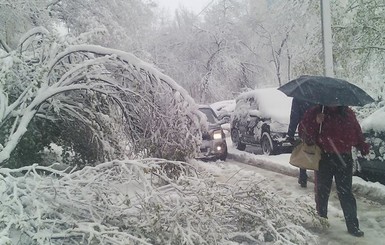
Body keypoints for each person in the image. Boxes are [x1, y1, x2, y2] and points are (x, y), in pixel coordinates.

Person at [299, 105, 370, 237]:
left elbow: (356, 130)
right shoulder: (316, 111)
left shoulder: (347, 113)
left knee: (346, 192)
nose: (334, 102)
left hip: (344, 158)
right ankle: (322, 219)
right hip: (324, 157)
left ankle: (352, 225)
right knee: (322, 191)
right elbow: (304, 134)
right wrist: (316, 122)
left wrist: (362, 145)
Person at [287, 98, 315, 188]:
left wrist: (290, 134)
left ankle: (303, 177)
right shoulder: (321, 95)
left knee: (305, 152)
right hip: (319, 128)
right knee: (318, 152)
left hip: (305, 129)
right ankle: (320, 178)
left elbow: (294, 116)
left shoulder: (299, 96)